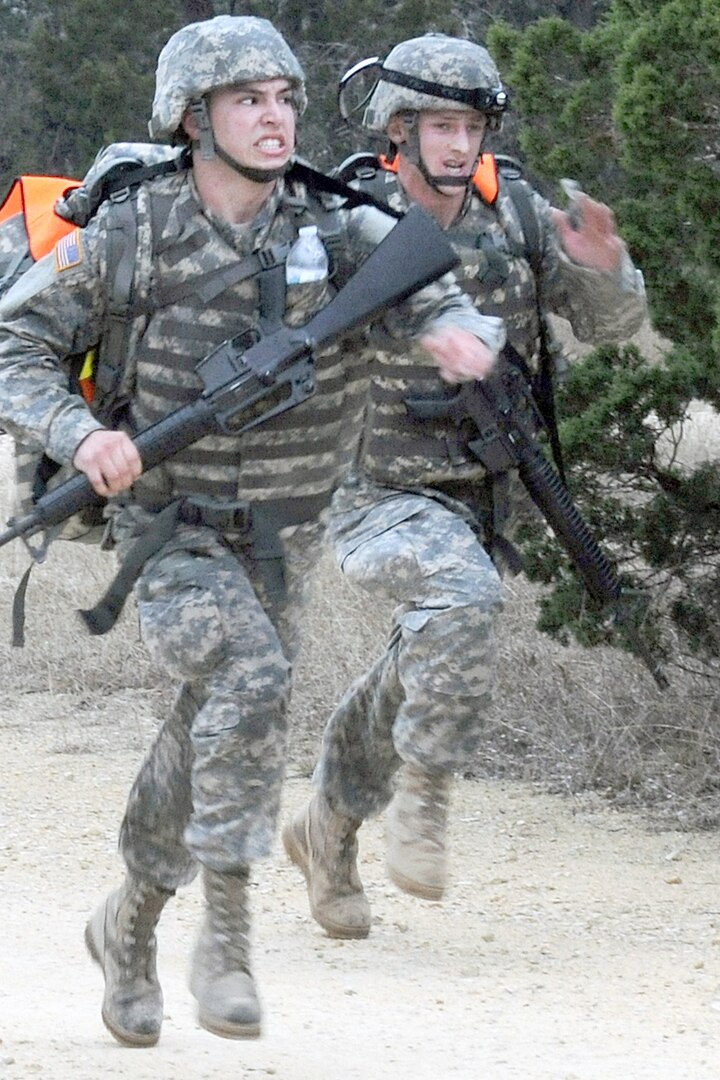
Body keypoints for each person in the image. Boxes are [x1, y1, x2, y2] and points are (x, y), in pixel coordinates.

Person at [0, 17, 503, 1045]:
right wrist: (83, 435)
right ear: (192, 117)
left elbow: (435, 288)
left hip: (285, 533)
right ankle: (224, 936)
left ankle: (125, 924)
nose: (273, 118)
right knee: (252, 679)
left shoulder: (338, 222)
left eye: (284, 99)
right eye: (246, 100)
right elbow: (14, 348)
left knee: (207, 720)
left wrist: (458, 335)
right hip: (165, 526)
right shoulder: (134, 232)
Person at [283, 33, 648, 939]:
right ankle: (425, 800)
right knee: (461, 598)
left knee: (429, 651)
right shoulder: (337, 217)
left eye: (471, 125)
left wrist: (607, 269)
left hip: (481, 493)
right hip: (366, 486)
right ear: (396, 131)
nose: (458, 144)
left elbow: (609, 326)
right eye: (439, 125)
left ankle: (326, 825)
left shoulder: (514, 214)